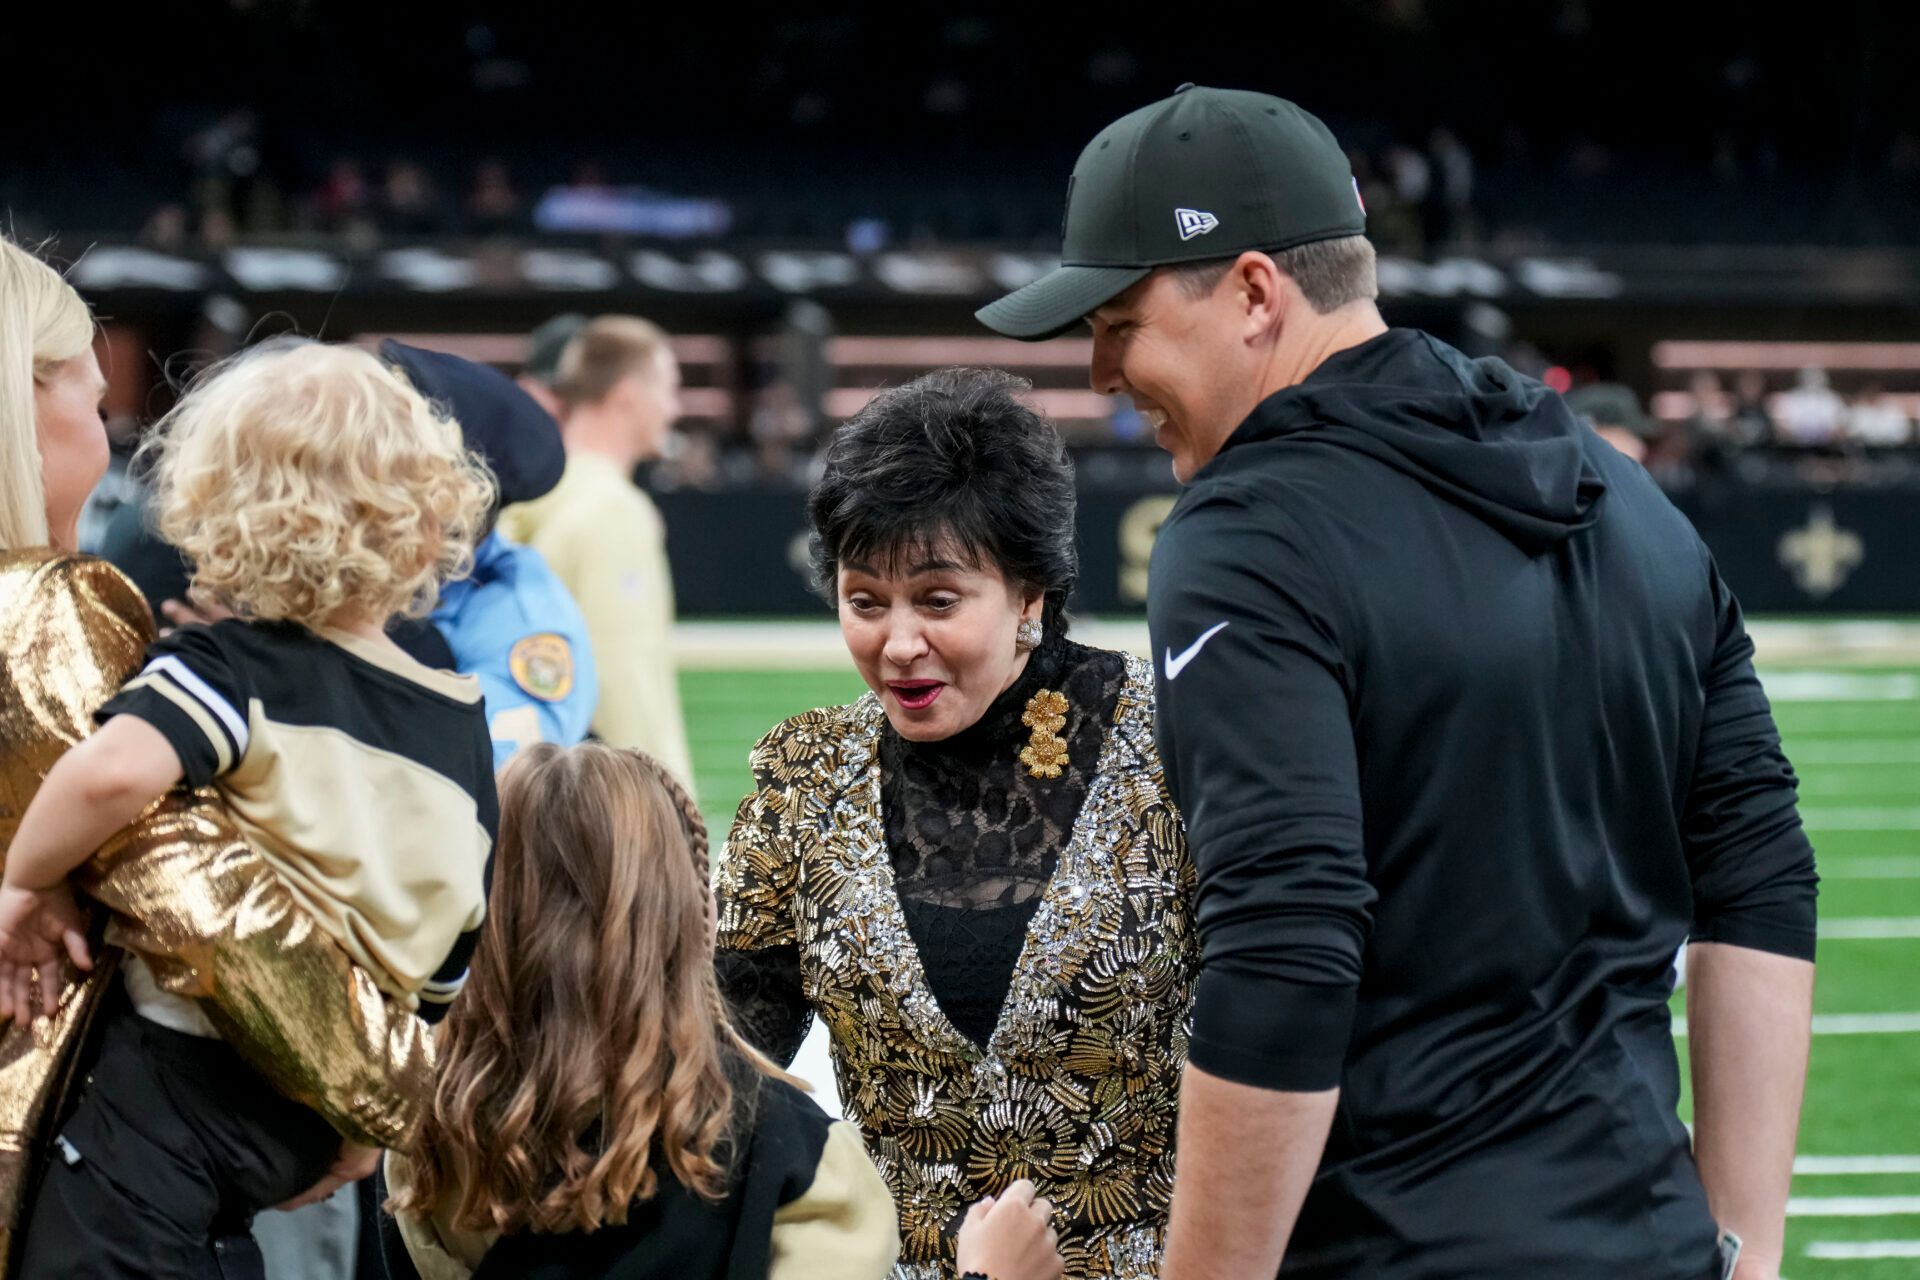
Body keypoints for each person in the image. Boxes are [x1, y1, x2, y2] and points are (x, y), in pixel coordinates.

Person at [978, 85, 1817, 1280]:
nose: (1103, 369)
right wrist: (1749, 1240)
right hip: (1648, 1239)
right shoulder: (1620, 494)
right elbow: (1758, 862)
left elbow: (1285, 938)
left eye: (1120, 318)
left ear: (1255, 292)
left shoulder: (1248, 531)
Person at [0, 337, 500, 1280]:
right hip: (320, 1119)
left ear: (218, 514)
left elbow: (108, 776)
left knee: (87, 1249)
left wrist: (29, 882)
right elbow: (458, 929)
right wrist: (370, 1092)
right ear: (430, 517)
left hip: (189, 1074)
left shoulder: (230, 672)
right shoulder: (455, 706)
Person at [714, 368, 1196, 1279]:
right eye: (866, 602)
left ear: (1030, 595)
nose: (897, 644)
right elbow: (722, 1075)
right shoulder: (804, 775)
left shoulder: (1174, 746)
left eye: (938, 600)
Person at [500, 314, 695, 788]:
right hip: (610, 800)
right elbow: (624, 679)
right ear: (628, 395)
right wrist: (667, 802)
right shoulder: (611, 511)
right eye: (668, 389)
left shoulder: (530, 499)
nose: (675, 408)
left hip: (542, 784)